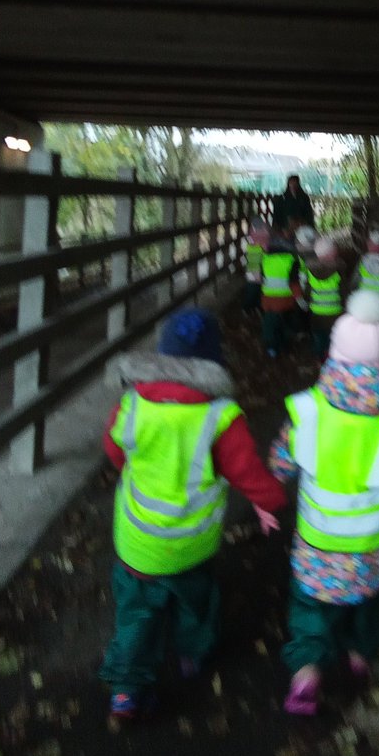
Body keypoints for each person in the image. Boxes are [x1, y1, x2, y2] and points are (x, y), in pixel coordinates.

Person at [100, 307, 287, 718]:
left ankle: (126, 690)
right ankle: (192, 656)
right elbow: (247, 473)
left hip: (138, 543)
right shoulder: (220, 417)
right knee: (196, 603)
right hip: (191, 545)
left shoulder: (132, 405)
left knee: (135, 615)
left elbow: (115, 451)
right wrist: (271, 502)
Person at [268, 291, 379, 715]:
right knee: (367, 606)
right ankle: (360, 657)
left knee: (310, 609)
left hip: (317, 545)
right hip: (373, 548)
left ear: (334, 359)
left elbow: (281, 461)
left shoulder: (309, 410)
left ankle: (306, 673)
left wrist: (269, 489)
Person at [260, 225, 302, 358]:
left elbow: (262, 278)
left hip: (268, 301)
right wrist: (300, 299)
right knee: (285, 324)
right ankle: (284, 346)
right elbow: (294, 283)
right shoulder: (292, 261)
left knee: (270, 325)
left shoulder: (265, 260)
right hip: (286, 301)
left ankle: (271, 348)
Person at [302, 235, 344, 360]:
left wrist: (306, 301)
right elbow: (344, 291)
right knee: (333, 336)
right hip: (334, 312)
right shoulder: (339, 271)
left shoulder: (309, 271)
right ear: (332, 253)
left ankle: (319, 355)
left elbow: (307, 291)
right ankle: (332, 356)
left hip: (316, 312)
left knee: (319, 335)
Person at [242, 217, 270, 314]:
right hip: (259, 263)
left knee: (254, 287)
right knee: (257, 287)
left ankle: (251, 306)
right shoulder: (265, 234)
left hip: (253, 263)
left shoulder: (252, 235)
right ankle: (251, 307)